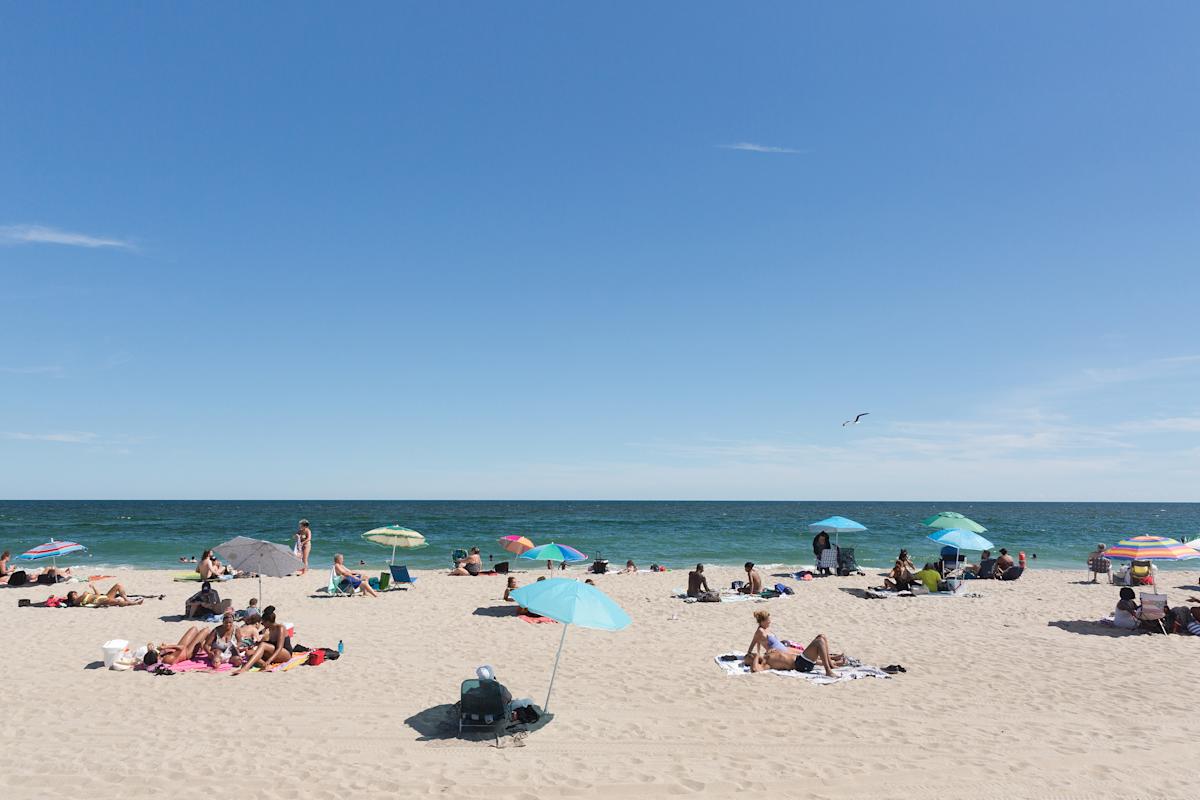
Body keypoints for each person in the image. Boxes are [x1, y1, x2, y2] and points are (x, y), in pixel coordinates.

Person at [744, 610, 845, 678]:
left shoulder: (768, 654)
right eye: (751, 657)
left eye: (751, 655)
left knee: (821, 636)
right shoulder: (766, 664)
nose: (752, 654)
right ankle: (828, 670)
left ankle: (831, 664)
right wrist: (756, 656)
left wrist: (759, 654)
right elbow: (754, 670)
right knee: (819, 642)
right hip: (800, 665)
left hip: (800, 659)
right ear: (753, 661)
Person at [234, 606, 292, 674]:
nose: (262, 624)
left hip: (285, 653)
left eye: (263, 623)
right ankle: (265, 665)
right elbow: (269, 643)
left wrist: (269, 660)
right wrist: (254, 645)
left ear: (268, 622)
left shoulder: (280, 628)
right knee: (248, 653)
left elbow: (279, 647)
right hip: (274, 651)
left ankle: (245, 668)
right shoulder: (268, 629)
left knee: (263, 645)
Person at [65, 582, 143, 607]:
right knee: (117, 601)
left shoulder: (83, 596)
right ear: (72, 598)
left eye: (75, 593)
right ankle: (134, 603)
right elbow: (85, 594)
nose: (76, 594)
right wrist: (86, 593)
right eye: (74, 594)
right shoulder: (76, 602)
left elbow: (98, 594)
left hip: (103, 596)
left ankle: (127, 600)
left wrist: (93, 587)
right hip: (99, 601)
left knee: (118, 585)